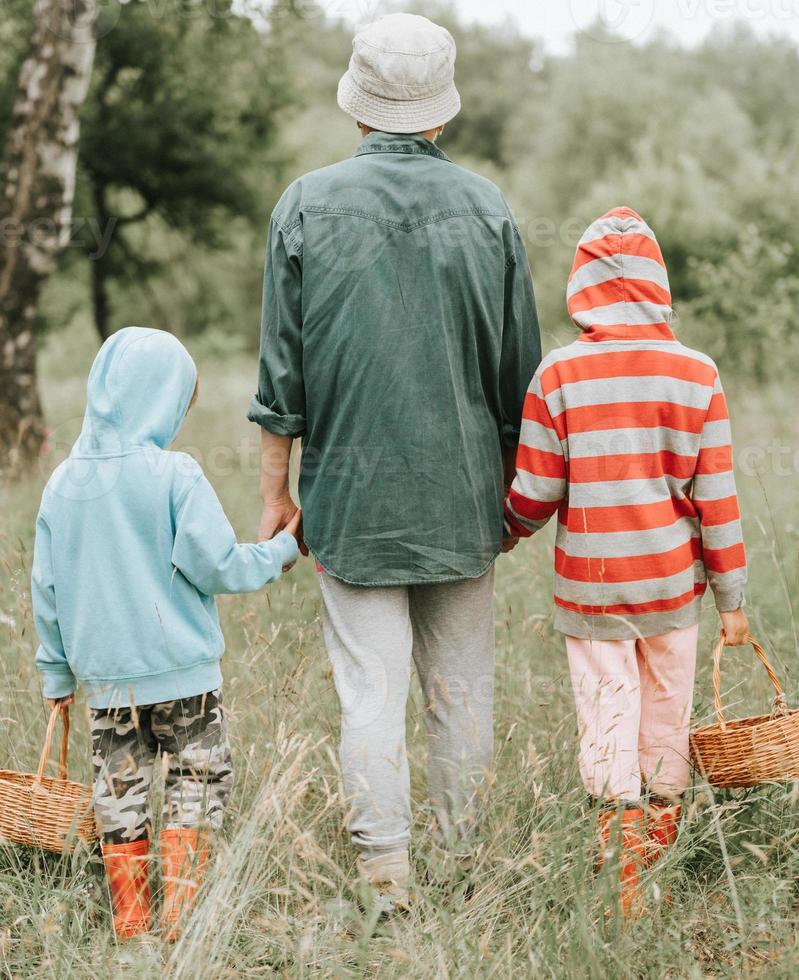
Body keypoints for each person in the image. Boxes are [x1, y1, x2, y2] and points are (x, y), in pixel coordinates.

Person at [248, 13, 542, 910]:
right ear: (440, 113)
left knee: (368, 694)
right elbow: (520, 380)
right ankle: (461, 863)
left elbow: (280, 378)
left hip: (348, 498)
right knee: (460, 693)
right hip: (465, 498)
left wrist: (277, 497)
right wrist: (514, 498)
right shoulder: (488, 207)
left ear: (359, 104)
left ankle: (386, 874)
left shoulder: (304, 203)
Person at [502, 207, 750, 920]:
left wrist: (506, 528)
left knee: (607, 715)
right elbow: (718, 500)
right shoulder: (696, 373)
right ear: (657, 282)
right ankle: (659, 864)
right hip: (673, 588)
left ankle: (623, 888)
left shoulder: (558, 374)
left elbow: (538, 490)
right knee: (666, 717)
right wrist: (730, 599)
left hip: (593, 590)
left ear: (582, 281)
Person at [31, 327, 301, 940]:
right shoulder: (174, 473)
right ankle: (181, 912)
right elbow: (217, 565)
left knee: (118, 797)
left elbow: (45, 588)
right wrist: (279, 550)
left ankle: (132, 919)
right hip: (185, 678)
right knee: (198, 786)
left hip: (105, 685)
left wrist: (55, 672)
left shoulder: (62, 484)